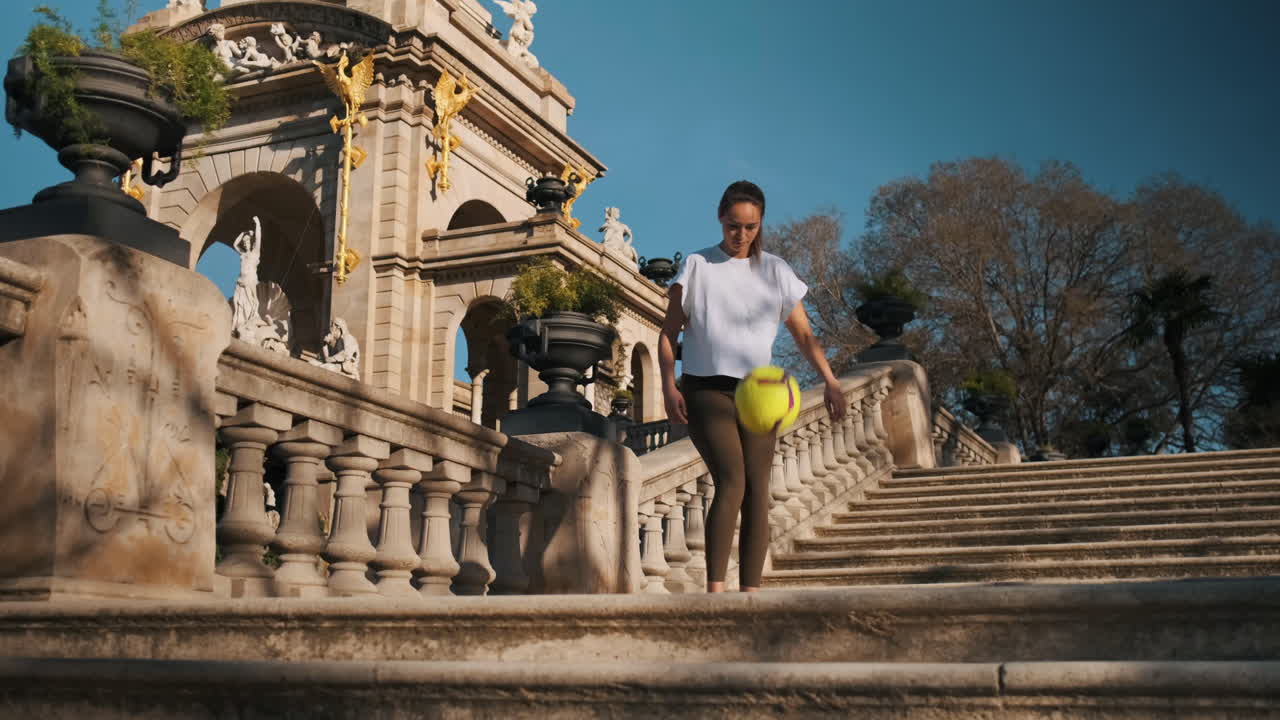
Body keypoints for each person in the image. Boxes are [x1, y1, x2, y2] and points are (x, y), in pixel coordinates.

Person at [659, 180, 846, 593]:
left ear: (760, 224)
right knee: (733, 479)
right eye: (732, 226)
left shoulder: (776, 270)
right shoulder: (697, 265)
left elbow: (803, 334)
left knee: (758, 490)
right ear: (720, 218)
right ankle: (715, 590)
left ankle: (751, 592)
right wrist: (668, 385)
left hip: (760, 395)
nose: (740, 236)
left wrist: (830, 381)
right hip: (706, 390)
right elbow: (669, 331)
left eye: (750, 227)